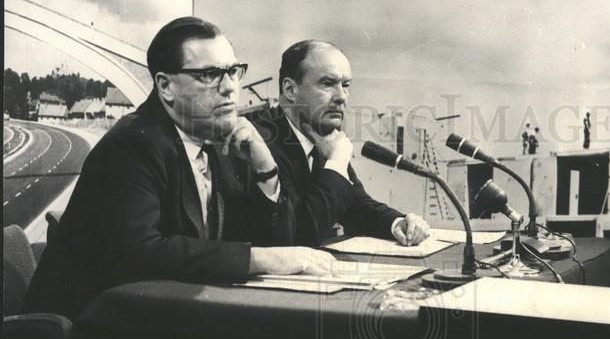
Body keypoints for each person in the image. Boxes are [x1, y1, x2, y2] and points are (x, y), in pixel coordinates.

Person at [24, 17, 337, 321]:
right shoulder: (133, 145)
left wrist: (265, 167)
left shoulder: (218, 140)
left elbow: (275, 243)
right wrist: (257, 258)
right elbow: (140, 253)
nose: (229, 88)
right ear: (165, 86)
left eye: (233, 71)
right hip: (94, 337)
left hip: (161, 323)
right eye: (209, 74)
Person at [252, 39, 430, 247]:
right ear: (290, 89)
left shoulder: (319, 134)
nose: (341, 97)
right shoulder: (260, 141)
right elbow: (299, 235)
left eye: (345, 85)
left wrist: (397, 223)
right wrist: (337, 161)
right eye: (327, 84)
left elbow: (355, 204)